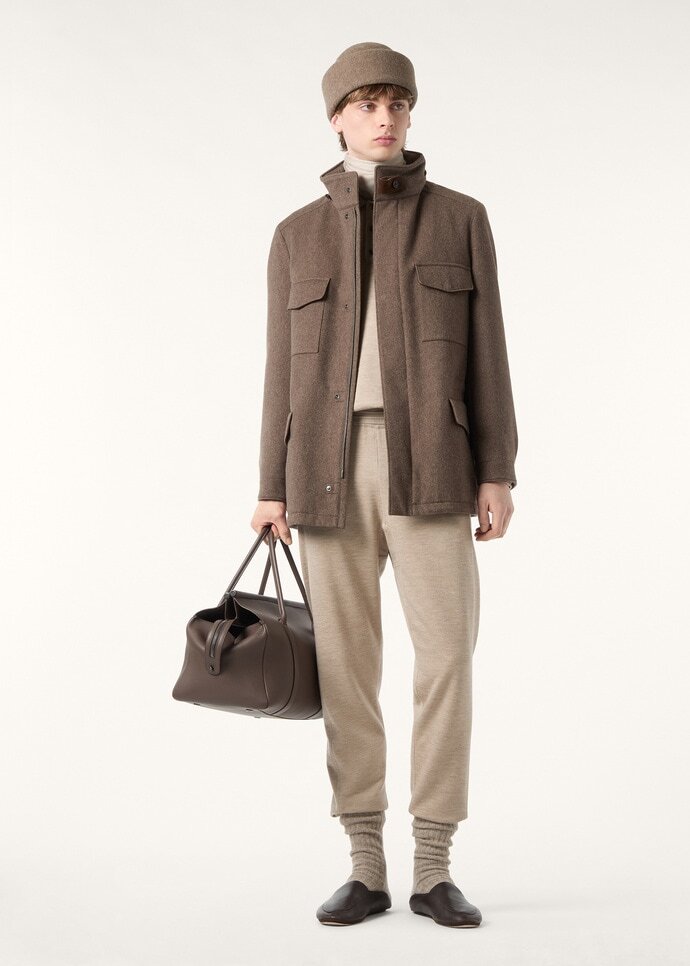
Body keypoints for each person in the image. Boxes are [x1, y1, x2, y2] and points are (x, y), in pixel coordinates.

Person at [251, 41, 518, 928]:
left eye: (397, 102)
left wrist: (497, 468)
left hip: (434, 464)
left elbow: (489, 353)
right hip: (323, 472)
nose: (385, 117)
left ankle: (434, 865)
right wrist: (270, 484)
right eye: (366, 104)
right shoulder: (295, 234)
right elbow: (280, 374)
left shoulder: (460, 218)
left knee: (447, 660)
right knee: (346, 670)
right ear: (337, 118)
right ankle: (364, 863)